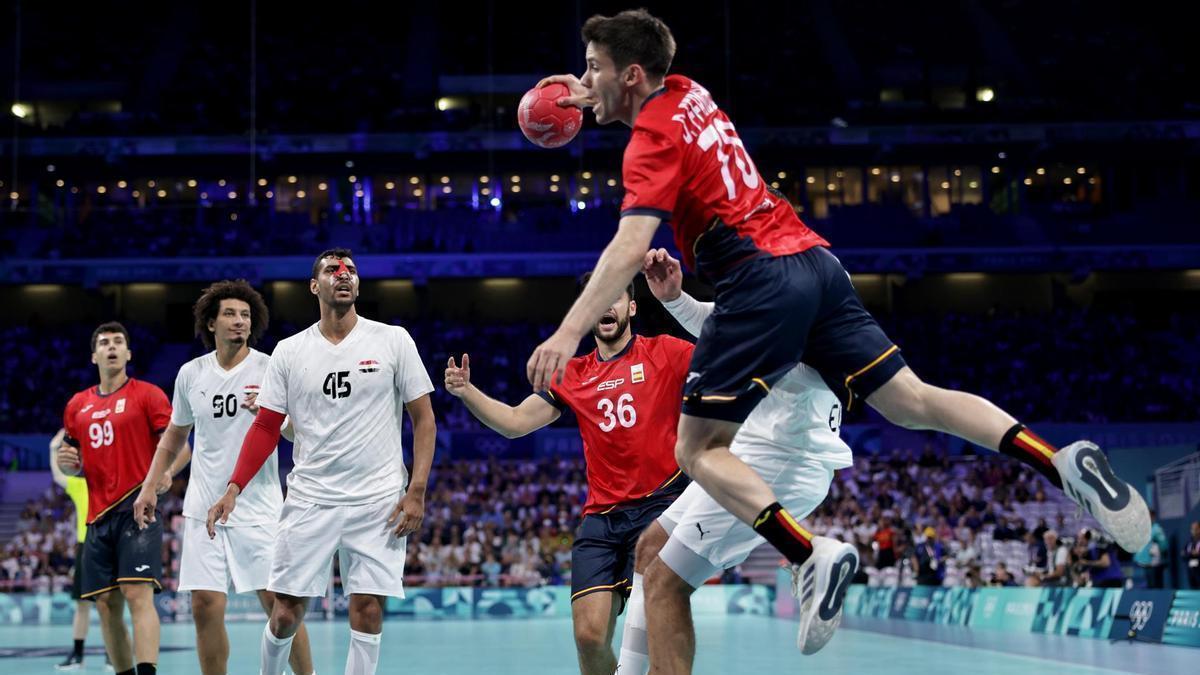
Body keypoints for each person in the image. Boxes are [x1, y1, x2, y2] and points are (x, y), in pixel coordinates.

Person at [525, 7, 1150, 657]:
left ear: (629, 74)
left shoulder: (649, 136)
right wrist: (592, 86)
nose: (583, 79)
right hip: (816, 264)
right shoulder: (690, 94)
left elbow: (630, 243)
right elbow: (643, 76)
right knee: (914, 401)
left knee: (696, 450)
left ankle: (809, 552)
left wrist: (565, 333)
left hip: (754, 276)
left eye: (593, 66)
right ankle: (1059, 461)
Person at [612, 249, 855, 673]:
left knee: (667, 584)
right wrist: (674, 299)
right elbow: (727, 327)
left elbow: (757, 343)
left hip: (778, 459)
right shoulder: (788, 275)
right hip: (754, 453)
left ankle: (810, 552)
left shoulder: (801, 276)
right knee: (650, 549)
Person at [444, 274, 692, 675]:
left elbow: (722, 360)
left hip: (660, 511)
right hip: (601, 521)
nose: (606, 306)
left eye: (615, 297)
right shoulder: (572, 374)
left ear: (631, 308)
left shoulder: (666, 352)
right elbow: (513, 422)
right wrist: (467, 392)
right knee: (590, 638)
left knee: (653, 635)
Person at [206, 249, 436, 675]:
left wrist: (416, 490)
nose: (343, 275)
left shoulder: (392, 339)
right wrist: (234, 487)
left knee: (367, 609)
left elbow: (423, 419)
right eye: (332, 270)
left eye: (350, 270)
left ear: (358, 284)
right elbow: (266, 427)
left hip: (378, 500)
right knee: (286, 614)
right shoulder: (290, 352)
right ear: (315, 286)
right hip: (311, 498)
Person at [130, 280, 314, 675]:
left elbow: (303, 434)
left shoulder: (271, 368)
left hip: (259, 507)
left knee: (281, 605)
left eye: (245, 315)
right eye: (230, 314)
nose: (239, 322)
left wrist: (270, 419)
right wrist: (149, 486)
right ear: (211, 323)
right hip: (202, 507)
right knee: (204, 607)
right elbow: (174, 437)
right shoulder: (190, 374)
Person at [57, 322, 180, 675]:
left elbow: (178, 444)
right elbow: (70, 458)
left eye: (118, 342)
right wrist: (65, 464)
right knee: (106, 606)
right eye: (104, 343)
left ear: (128, 353)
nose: (111, 347)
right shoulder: (76, 405)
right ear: (94, 355)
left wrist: (163, 474)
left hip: (137, 508)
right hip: (97, 517)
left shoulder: (148, 395)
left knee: (136, 594)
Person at [49, 428, 106, 671]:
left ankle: (114, 656)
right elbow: (57, 475)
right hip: (86, 547)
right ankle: (78, 655)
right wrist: (55, 445)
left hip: (108, 544)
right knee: (82, 605)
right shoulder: (80, 485)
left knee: (109, 603)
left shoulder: (114, 484)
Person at [1134, 509, 1169, 589]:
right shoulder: (1142, 530)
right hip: (1144, 563)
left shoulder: (1157, 529)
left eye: (1148, 516)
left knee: (1155, 586)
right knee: (1149, 586)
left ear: (1153, 517)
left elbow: (1164, 545)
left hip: (1154, 564)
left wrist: (1159, 556)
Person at [1185, 521, 1200, 589]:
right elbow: (1184, 553)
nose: (1193, 531)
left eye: (1195, 529)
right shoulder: (1189, 542)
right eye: (1192, 529)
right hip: (1191, 568)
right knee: (1192, 587)